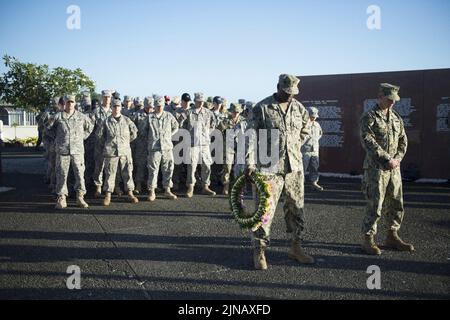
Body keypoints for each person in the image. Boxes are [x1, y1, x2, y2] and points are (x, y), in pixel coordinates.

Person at [245, 74, 314, 270]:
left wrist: (293, 147)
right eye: (286, 92)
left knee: (296, 208)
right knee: (264, 211)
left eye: (293, 93)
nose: (290, 96)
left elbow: (305, 130)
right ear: (278, 87)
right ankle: (259, 250)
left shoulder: (299, 108)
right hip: (269, 169)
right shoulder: (262, 108)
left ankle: (296, 247)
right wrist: (250, 162)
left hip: (294, 169)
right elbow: (250, 136)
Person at [360, 83, 415, 255]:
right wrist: (387, 158)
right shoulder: (369, 117)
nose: (392, 103)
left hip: (394, 169)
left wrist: (397, 158)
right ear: (380, 96)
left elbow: (403, 140)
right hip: (376, 169)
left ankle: (392, 236)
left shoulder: (396, 118)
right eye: (389, 99)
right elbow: (367, 140)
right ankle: (368, 239)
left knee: (396, 203)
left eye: (394, 100)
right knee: (375, 204)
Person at [46, 94, 93, 209]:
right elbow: (47, 128)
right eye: (68, 102)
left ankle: (80, 197)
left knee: (79, 174)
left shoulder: (82, 117)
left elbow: (90, 128)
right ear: (64, 103)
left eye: (72, 102)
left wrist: (82, 137)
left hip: (77, 151)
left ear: (75, 103)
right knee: (62, 174)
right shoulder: (58, 116)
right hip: (63, 151)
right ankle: (62, 197)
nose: (70, 104)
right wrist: (57, 138)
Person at [96, 99, 139, 205]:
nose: (116, 108)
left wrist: (125, 143)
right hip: (111, 152)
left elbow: (134, 133)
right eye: (114, 106)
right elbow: (100, 136)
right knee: (110, 173)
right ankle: (108, 194)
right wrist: (108, 144)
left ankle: (130, 192)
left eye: (118, 106)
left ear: (121, 107)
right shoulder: (106, 121)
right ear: (111, 107)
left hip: (125, 151)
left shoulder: (127, 120)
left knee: (128, 172)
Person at [139, 96, 179, 201]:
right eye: (157, 106)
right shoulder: (149, 117)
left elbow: (176, 126)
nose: (159, 108)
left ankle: (167, 190)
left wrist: (170, 135)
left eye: (161, 106)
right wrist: (150, 139)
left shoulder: (169, 116)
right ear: (154, 106)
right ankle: (152, 191)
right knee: (153, 170)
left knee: (168, 169)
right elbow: (142, 131)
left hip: (167, 147)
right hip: (154, 148)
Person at [181, 92, 217, 197]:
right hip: (192, 144)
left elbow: (213, 124)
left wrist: (206, 134)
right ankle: (190, 186)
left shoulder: (208, 113)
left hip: (204, 143)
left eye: (202, 102)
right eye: (198, 101)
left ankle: (205, 186)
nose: (201, 103)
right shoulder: (188, 112)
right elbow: (181, 126)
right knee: (192, 166)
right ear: (195, 101)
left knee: (207, 165)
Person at [219, 102, 247, 195]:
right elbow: (220, 131)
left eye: (237, 112)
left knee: (240, 167)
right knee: (227, 166)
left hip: (240, 146)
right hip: (228, 145)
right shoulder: (225, 121)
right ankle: (226, 185)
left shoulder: (243, 121)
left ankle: (238, 186)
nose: (235, 113)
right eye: (234, 112)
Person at [90, 90, 113, 197]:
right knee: (99, 166)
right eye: (105, 97)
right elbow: (89, 128)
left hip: (111, 145)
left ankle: (109, 188)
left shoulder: (114, 111)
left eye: (108, 97)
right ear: (101, 98)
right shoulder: (96, 112)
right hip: (99, 144)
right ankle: (98, 187)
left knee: (110, 167)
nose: (107, 99)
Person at [302, 107, 324, 191]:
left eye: (315, 116)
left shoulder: (317, 124)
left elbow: (320, 134)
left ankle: (314, 183)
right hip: (304, 150)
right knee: (302, 168)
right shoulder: (302, 124)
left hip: (314, 150)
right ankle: (300, 184)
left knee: (314, 167)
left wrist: (314, 141)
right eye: (312, 116)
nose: (314, 118)